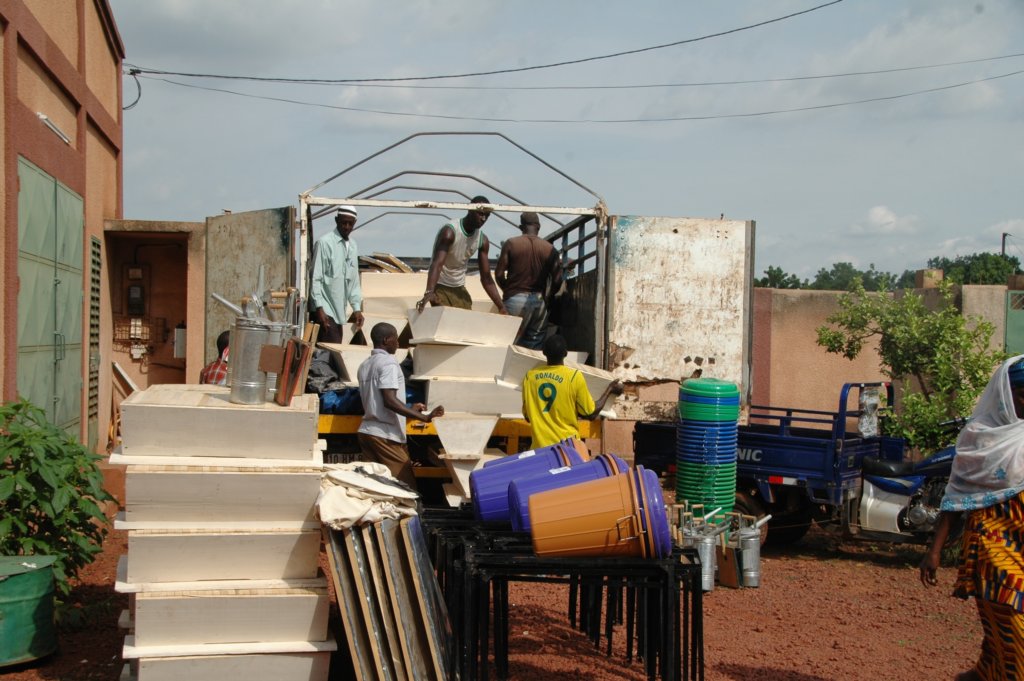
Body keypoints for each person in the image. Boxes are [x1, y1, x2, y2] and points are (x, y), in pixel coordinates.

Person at [919, 355, 1024, 681]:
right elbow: (955, 495)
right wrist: (934, 550)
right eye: (1023, 393)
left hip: (1021, 546)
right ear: (1006, 392)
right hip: (991, 546)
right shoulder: (979, 436)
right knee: (1016, 634)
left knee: (1000, 638)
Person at [357, 322, 444, 489]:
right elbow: (389, 400)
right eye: (396, 338)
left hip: (366, 432)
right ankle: (411, 515)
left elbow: (376, 400)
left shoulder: (365, 365)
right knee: (406, 488)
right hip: (385, 435)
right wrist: (423, 417)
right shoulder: (389, 363)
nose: (398, 343)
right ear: (386, 340)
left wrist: (410, 409)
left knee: (375, 488)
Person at [521, 334, 623, 448]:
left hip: (540, 449)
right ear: (565, 353)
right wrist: (610, 390)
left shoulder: (530, 377)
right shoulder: (574, 377)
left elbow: (527, 417)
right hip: (567, 450)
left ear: (544, 352)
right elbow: (590, 413)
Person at [415, 196, 506, 314]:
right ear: (470, 210)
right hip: (440, 284)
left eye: (487, 216)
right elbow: (437, 264)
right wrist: (430, 291)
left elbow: (487, 278)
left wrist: (501, 306)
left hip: (459, 286)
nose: (483, 219)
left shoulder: (482, 240)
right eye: (480, 214)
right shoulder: (450, 232)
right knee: (446, 321)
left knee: (464, 322)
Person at [495, 211, 562, 349]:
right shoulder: (550, 249)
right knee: (534, 345)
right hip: (539, 301)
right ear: (538, 227)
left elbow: (499, 274)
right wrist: (547, 297)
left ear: (521, 227)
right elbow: (557, 280)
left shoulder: (511, 244)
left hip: (514, 299)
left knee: (510, 343)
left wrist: (508, 291)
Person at [310, 205, 364, 343]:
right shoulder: (324, 243)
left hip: (340, 313)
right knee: (331, 353)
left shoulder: (353, 246)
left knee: (335, 351)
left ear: (354, 223)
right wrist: (319, 308)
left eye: (350, 223)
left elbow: (353, 281)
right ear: (336, 220)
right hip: (326, 310)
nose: (346, 227)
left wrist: (356, 308)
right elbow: (316, 278)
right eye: (343, 222)